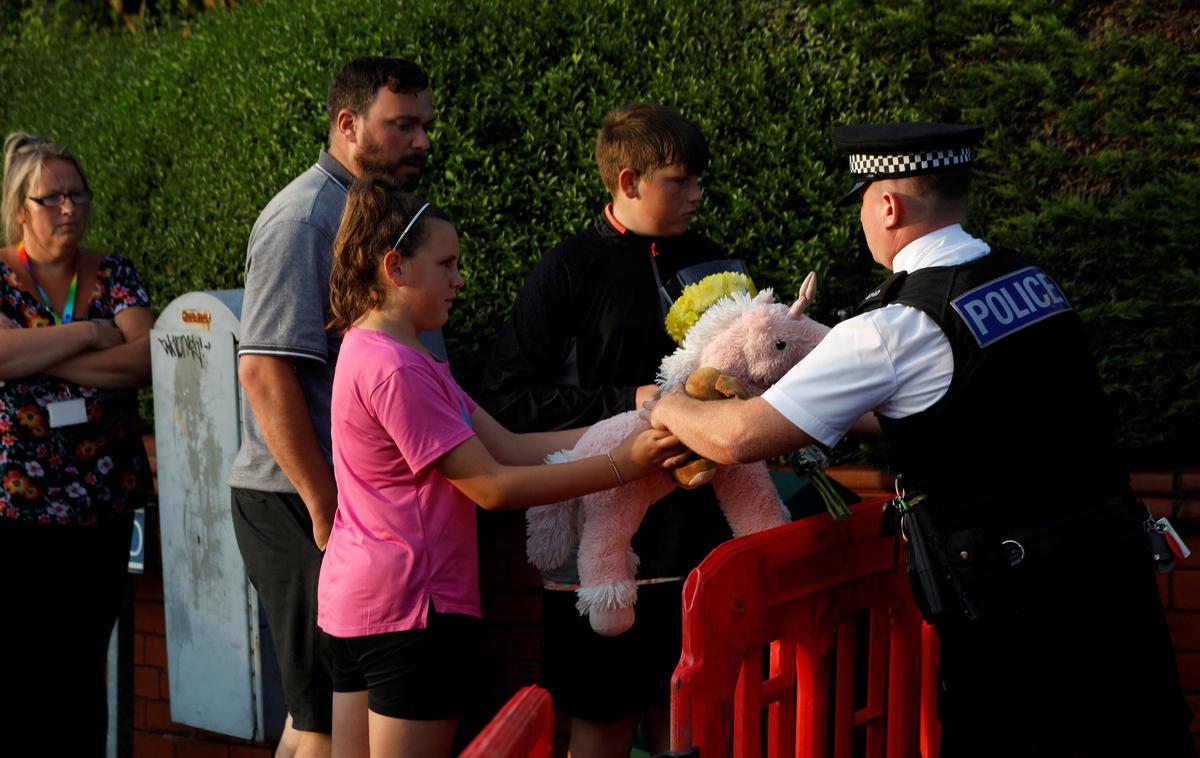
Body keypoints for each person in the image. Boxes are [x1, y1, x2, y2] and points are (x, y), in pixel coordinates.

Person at [650, 121, 1195, 757]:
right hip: (1112, 590)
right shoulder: (1028, 280)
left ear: (887, 205)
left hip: (1012, 627)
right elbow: (968, 410)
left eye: (860, 200)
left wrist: (661, 402)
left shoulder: (897, 323)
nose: (861, 216)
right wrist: (809, 413)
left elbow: (740, 437)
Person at [316, 175, 684, 757]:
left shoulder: (384, 351)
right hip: (415, 607)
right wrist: (622, 465)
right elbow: (493, 485)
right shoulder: (399, 368)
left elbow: (511, 445)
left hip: (356, 601)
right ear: (396, 268)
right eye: (447, 264)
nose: (459, 280)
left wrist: (630, 427)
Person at [478, 102, 738, 757]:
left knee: (692, 715)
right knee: (602, 721)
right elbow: (508, 399)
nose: (697, 194)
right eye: (680, 179)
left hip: (697, 536)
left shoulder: (714, 261)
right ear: (627, 181)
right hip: (598, 543)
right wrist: (630, 398)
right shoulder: (567, 268)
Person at [226, 56, 439, 758]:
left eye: (425, 126)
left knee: (318, 715)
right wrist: (324, 506)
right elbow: (263, 372)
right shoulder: (304, 218)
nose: (421, 142)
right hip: (296, 499)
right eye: (401, 125)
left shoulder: (382, 212)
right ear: (348, 125)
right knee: (320, 716)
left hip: (348, 504)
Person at [0, 132, 154, 755]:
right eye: (52, 198)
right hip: (17, 511)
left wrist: (38, 358)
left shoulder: (115, 273)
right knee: (23, 673)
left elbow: (145, 360)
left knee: (82, 666)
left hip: (103, 508)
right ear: (21, 210)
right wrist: (94, 334)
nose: (69, 208)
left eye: (78, 195)